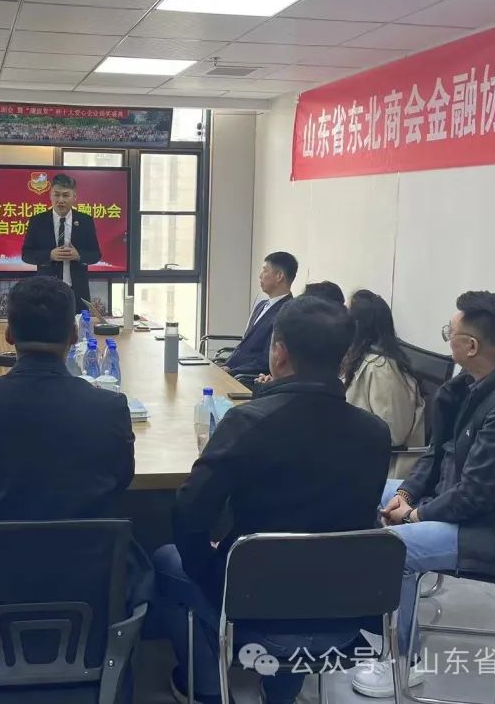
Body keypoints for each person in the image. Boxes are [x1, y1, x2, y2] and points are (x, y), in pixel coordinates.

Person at [155, 297, 390, 704]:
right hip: (345, 611)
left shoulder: (248, 422)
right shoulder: (375, 432)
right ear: (343, 357)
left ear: (279, 353)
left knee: (165, 559)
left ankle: (207, 689)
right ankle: (282, 691)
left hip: (253, 607)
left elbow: (188, 513)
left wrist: (212, 576)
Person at [351, 292, 495, 699]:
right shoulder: (475, 383)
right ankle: (374, 610)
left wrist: (414, 516)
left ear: (470, 346)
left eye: (449, 333)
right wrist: (408, 492)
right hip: (459, 503)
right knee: (367, 491)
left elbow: (477, 497)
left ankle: (402, 660)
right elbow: (438, 454)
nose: (446, 339)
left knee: (393, 549)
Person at [0, 276, 141, 619]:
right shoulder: (109, 408)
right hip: (90, 588)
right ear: (74, 335)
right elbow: (121, 481)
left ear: (8, 335)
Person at [342, 289, 425, 477]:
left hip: (381, 471)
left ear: (359, 324)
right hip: (358, 461)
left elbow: (393, 434)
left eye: (346, 314)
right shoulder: (358, 359)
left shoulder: (381, 368)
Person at [21, 173, 102, 310]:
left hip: (77, 292)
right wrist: (49, 255)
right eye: (56, 195)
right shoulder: (37, 221)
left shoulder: (85, 221)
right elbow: (26, 255)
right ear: (50, 195)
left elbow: (96, 255)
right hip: (46, 291)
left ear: (74, 197)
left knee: (79, 324)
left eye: (65, 195)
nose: (60, 200)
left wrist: (79, 256)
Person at [221, 252, 298, 378]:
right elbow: (244, 346)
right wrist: (226, 365)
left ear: (279, 276)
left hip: (248, 379)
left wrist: (231, 372)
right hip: (233, 371)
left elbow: (266, 360)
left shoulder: (288, 312)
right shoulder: (261, 305)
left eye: (265, 270)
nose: (260, 275)